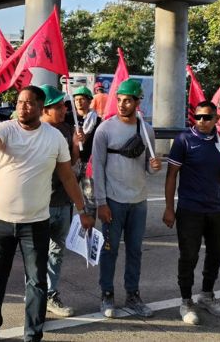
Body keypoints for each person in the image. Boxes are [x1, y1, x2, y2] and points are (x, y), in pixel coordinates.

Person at [0, 86, 94, 342]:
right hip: (0, 221)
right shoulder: (5, 129)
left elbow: (68, 177)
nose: (22, 107)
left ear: (40, 106)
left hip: (36, 223)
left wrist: (82, 210)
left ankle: (33, 334)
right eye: (20, 102)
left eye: (28, 103)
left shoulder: (55, 138)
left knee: (37, 282)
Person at [164, 100, 220, 325]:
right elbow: (171, 176)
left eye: (207, 117)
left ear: (217, 119)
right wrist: (169, 208)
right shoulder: (184, 140)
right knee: (189, 256)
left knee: (216, 254)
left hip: (216, 209)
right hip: (190, 209)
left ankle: (207, 295)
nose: (202, 121)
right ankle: (186, 301)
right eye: (198, 117)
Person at [93, 78, 161, 318]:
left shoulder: (146, 130)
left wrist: (155, 165)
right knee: (109, 250)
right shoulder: (105, 129)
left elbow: (149, 168)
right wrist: (101, 202)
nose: (122, 105)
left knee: (135, 250)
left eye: (127, 101)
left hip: (138, 201)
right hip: (112, 200)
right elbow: (97, 167)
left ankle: (133, 295)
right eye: (119, 100)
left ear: (137, 102)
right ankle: (107, 294)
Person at [38, 84, 84, 318]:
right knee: (36, 253)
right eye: (58, 107)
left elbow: (73, 166)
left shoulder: (67, 129)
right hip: (39, 205)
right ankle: (35, 295)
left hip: (63, 203)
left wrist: (76, 145)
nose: (65, 110)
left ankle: (50, 293)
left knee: (56, 251)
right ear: (44, 109)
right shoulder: (34, 131)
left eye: (64, 106)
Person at [72, 85, 99, 217]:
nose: (79, 102)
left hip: (89, 163)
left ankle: (90, 229)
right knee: (67, 196)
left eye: (82, 99)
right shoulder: (68, 117)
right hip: (72, 162)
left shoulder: (97, 120)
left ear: (89, 101)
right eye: (76, 99)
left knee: (90, 198)